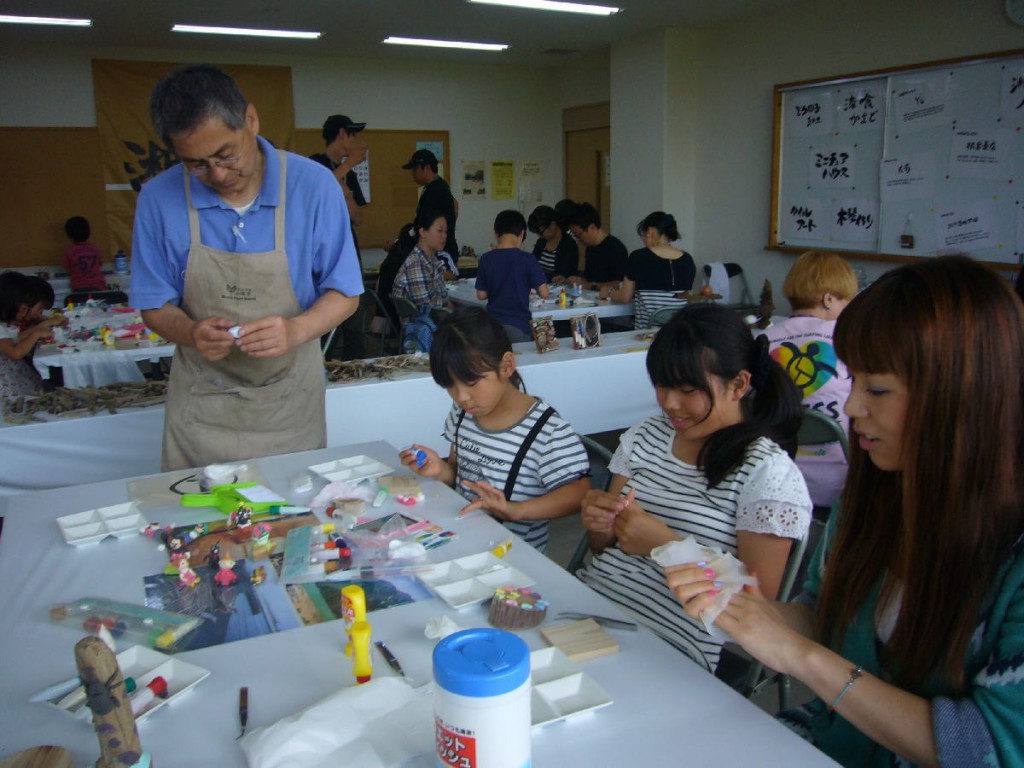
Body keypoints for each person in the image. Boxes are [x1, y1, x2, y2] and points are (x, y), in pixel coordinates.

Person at [667, 256, 1024, 767]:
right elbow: (823, 615)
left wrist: (801, 658)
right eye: (854, 382)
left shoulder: (1012, 556)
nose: (853, 409)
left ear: (965, 394)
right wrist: (744, 611)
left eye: (877, 389)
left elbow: (991, 748)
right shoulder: (873, 495)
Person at [131, 64, 362, 471]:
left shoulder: (313, 186)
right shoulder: (158, 198)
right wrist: (190, 331)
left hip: (289, 406)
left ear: (250, 120)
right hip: (203, 409)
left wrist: (296, 330)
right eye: (196, 165)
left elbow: (345, 292)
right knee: (199, 526)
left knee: (290, 523)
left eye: (225, 155)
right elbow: (154, 305)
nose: (217, 175)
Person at [577, 303, 811, 670]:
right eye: (661, 386)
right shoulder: (645, 437)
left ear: (738, 385)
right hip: (589, 609)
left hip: (669, 645)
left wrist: (666, 547)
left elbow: (758, 613)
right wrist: (600, 524)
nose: (670, 403)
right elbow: (602, 548)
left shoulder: (766, 472)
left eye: (687, 389)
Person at [400, 306, 590, 552]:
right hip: (461, 539)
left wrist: (515, 510)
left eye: (471, 382)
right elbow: (460, 475)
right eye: (450, 385)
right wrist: (439, 470)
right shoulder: (463, 414)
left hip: (512, 557)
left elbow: (579, 493)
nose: (462, 397)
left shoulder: (547, 431)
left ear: (507, 365)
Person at [759, 250, 857, 509]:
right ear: (828, 298)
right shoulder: (850, 339)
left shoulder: (764, 340)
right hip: (838, 482)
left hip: (775, 476)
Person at [310, 114, 370, 360]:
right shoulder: (315, 165)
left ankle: (354, 373)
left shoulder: (350, 175)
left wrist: (346, 193)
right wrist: (348, 165)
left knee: (355, 318)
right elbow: (315, 192)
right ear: (342, 134)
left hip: (348, 251)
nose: (355, 141)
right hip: (320, 252)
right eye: (353, 135)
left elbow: (358, 218)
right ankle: (318, 370)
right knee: (321, 318)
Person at [599, 211, 696, 328]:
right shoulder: (687, 259)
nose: (644, 240)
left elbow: (625, 297)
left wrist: (608, 293)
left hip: (647, 335)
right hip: (677, 333)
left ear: (650, 231)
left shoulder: (639, 257)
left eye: (643, 235)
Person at [475, 209, 549, 342]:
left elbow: (481, 295)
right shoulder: (528, 259)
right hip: (520, 326)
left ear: (496, 234)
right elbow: (544, 293)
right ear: (522, 234)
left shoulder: (486, 258)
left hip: (493, 327)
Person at [0, 271, 64, 397]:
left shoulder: (3, 326)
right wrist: (37, 333)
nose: (25, 314)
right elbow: (15, 353)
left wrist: (38, 329)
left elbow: (14, 339)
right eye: (24, 309)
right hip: (6, 384)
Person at [402, 148, 459, 265]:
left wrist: (402, 241)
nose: (413, 174)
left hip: (440, 254)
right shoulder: (438, 186)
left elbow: (424, 223)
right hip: (441, 249)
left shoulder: (435, 191)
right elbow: (456, 206)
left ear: (426, 168)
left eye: (415, 169)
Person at [392, 208, 451, 312]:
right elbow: (430, 312)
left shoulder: (431, 260)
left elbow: (444, 299)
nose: (444, 236)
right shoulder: (417, 265)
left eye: (446, 231)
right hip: (425, 326)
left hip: (436, 323)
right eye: (440, 231)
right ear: (423, 232)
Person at [564, 201, 628, 292]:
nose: (578, 239)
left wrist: (589, 285)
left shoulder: (615, 248)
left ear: (592, 227)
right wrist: (578, 280)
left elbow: (620, 284)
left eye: (578, 234)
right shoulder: (590, 248)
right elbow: (590, 279)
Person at [527, 205, 578, 284]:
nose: (540, 235)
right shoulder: (541, 242)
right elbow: (532, 265)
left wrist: (544, 277)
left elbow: (564, 274)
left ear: (552, 225)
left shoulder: (568, 244)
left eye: (541, 232)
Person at [62, 216, 107, 293]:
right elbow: (99, 264)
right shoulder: (95, 249)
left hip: (79, 286)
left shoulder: (70, 251)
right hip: (98, 285)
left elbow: (66, 267)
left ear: (69, 235)